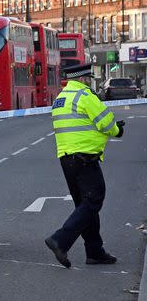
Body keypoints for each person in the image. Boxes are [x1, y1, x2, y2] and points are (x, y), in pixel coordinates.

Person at [45, 62, 124, 269]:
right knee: (94, 199)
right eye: (89, 79)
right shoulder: (85, 97)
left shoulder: (60, 99)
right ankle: (60, 240)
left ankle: (94, 251)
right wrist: (118, 130)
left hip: (66, 158)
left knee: (85, 205)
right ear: (82, 79)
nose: (90, 82)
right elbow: (106, 123)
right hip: (84, 158)